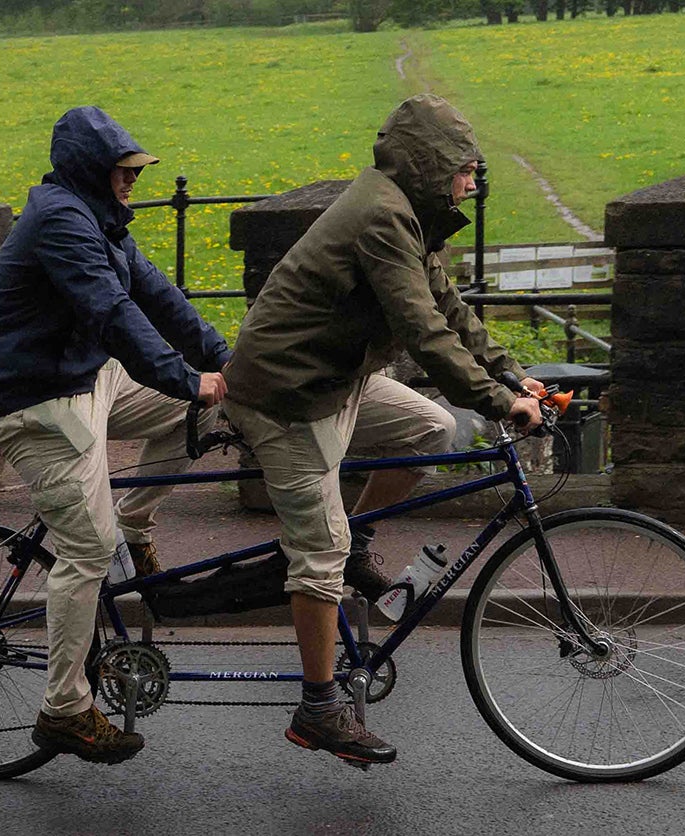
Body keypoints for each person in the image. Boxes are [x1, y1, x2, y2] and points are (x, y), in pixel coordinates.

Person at [219, 94, 544, 766]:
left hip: (337, 380)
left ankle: (355, 546)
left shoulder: (408, 213)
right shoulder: (379, 215)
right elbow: (421, 330)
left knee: (428, 427)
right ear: (429, 163)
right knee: (317, 552)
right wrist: (494, 401)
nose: (470, 182)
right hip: (286, 394)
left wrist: (512, 377)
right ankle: (316, 710)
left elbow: (449, 306)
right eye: (464, 168)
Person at [0, 105, 231, 766]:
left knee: (198, 412)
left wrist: (220, 362)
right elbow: (110, 312)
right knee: (87, 545)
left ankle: (137, 531)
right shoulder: (61, 221)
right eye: (124, 169)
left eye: (136, 169)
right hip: (28, 399)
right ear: (92, 167)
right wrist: (179, 375)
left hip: (79, 382)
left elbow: (156, 295)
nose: (133, 179)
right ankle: (64, 710)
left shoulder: (100, 220)